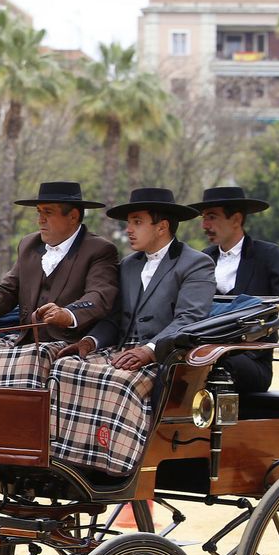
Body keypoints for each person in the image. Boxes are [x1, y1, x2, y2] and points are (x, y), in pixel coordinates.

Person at [48, 187, 216, 475]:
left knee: (120, 382)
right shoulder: (127, 266)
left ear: (162, 227)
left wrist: (148, 350)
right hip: (121, 350)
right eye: (129, 223)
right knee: (63, 367)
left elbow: (189, 318)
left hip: (165, 358)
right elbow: (113, 320)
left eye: (137, 222)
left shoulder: (196, 264)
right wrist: (89, 342)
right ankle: (67, 459)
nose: (128, 230)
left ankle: (116, 463)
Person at [0, 181, 119, 387]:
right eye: (38, 212)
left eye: (47, 212)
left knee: (30, 364)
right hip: (25, 341)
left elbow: (100, 296)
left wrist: (68, 314)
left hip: (69, 343)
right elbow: (7, 290)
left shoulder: (100, 250)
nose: (40, 220)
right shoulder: (29, 244)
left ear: (73, 216)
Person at [197, 186, 279, 392]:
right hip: (205, 354)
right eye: (203, 218)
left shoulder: (267, 256)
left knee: (215, 367)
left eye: (212, 217)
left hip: (251, 362)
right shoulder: (203, 259)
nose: (204, 225)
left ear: (236, 219)